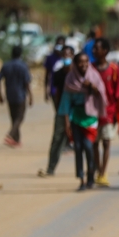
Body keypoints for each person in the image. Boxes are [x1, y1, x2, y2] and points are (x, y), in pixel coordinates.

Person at [59, 53, 107, 191]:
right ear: (75, 63)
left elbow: (101, 95)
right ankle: (81, 178)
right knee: (78, 148)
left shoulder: (94, 76)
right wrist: (66, 121)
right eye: (80, 62)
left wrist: (91, 86)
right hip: (76, 116)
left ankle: (91, 174)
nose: (83, 65)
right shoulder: (70, 79)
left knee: (88, 146)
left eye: (86, 62)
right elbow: (66, 101)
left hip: (91, 116)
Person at [39, 46, 75, 177]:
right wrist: (59, 109)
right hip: (63, 109)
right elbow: (58, 92)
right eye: (64, 55)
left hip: (77, 109)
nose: (66, 57)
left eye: (69, 54)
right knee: (57, 139)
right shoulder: (58, 73)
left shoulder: (77, 72)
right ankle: (51, 167)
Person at [92, 38, 119, 187]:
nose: (94, 51)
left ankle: (103, 172)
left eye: (97, 48)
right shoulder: (90, 68)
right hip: (92, 111)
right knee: (94, 143)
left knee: (106, 142)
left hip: (109, 112)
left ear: (105, 51)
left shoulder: (114, 69)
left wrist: (116, 113)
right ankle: (98, 170)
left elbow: (118, 93)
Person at [0, 46, 33, 147]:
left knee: (13, 117)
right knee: (19, 117)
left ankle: (16, 140)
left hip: (10, 95)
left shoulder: (6, 65)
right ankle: (11, 134)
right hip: (20, 95)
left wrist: (0, 94)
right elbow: (27, 83)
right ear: (20, 54)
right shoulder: (23, 66)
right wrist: (31, 96)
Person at [44, 36, 65, 107]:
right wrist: (46, 91)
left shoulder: (67, 58)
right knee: (58, 110)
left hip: (66, 89)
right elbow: (47, 75)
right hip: (54, 89)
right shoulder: (50, 58)